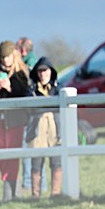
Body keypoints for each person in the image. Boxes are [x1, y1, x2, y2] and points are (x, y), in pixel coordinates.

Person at [0, 40, 31, 202]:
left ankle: (11, 193)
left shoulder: (20, 74)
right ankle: (9, 189)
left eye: (8, 57)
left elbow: (24, 95)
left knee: (13, 154)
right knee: (1, 155)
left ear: (14, 55)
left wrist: (9, 89)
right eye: (2, 57)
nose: (5, 60)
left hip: (15, 120)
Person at [25, 57, 61, 198]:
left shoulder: (59, 89)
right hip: (37, 130)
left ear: (51, 72)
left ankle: (56, 194)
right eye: (39, 71)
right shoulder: (31, 90)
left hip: (55, 128)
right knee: (36, 163)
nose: (42, 74)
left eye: (45, 70)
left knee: (56, 162)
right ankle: (36, 195)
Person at [16, 37, 39, 195]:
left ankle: (28, 182)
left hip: (28, 111)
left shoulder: (28, 63)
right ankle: (30, 183)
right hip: (28, 111)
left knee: (28, 146)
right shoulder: (30, 61)